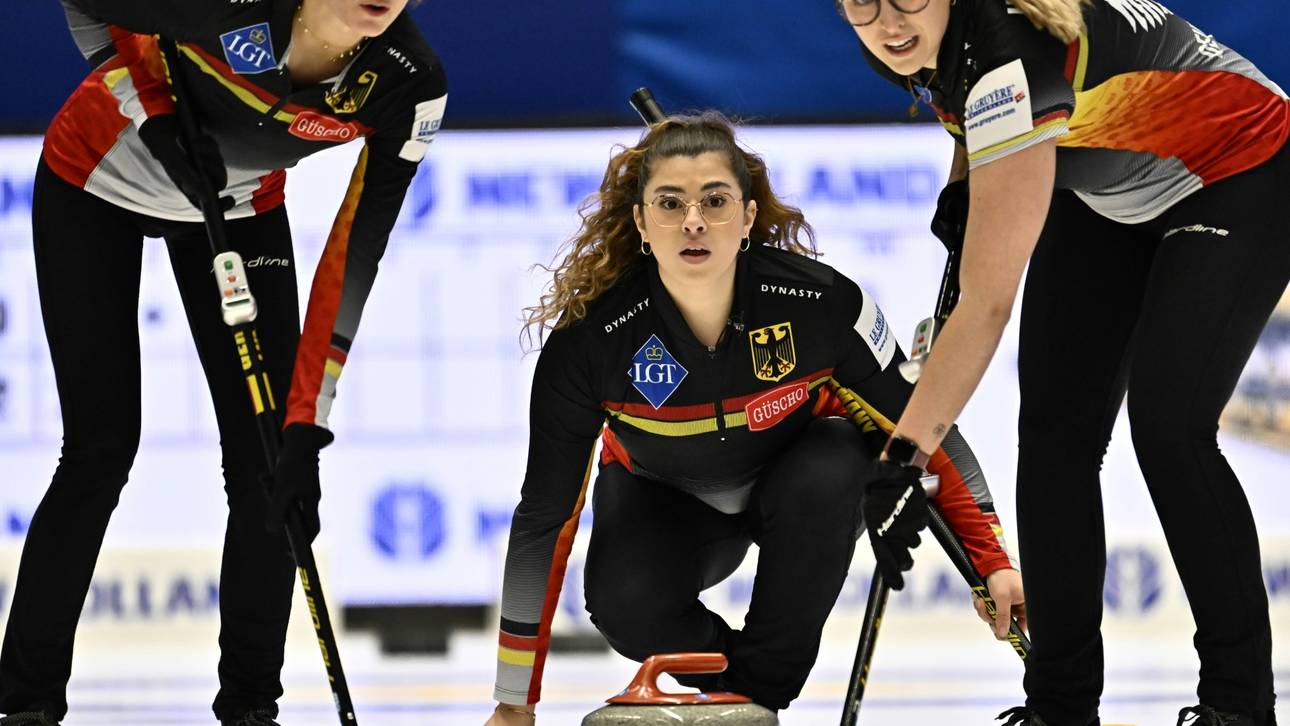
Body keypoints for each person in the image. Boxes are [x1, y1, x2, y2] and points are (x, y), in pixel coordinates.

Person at [482, 112, 1024, 725]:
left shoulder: (824, 306)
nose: (693, 220)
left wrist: (994, 565)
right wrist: (513, 701)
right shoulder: (588, 345)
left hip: (800, 494)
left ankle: (758, 693)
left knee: (836, 455)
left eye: (715, 200)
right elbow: (542, 519)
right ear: (640, 223)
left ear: (747, 217)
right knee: (623, 603)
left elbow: (926, 426)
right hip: (665, 503)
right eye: (669, 202)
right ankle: (745, 698)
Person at [836, 0, 1289, 724]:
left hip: (1238, 167)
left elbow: (987, 305)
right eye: (863, 1)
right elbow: (967, 105)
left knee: (1170, 426)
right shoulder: (912, 40)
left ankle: (1239, 706)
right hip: (1108, 182)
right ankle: (1060, 705)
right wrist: (965, 182)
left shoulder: (1007, 47)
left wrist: (905, 457)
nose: (889, 22)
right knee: (1053, 438)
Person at [0, 1, 447, 725]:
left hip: (234, 207)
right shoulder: (231, 4)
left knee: (272, 463)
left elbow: (354, 255)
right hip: (96, 180)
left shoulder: (410, 83)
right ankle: (26, 704)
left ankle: (247, 708)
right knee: (100, 448)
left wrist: (311, 418)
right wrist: (156, 115)